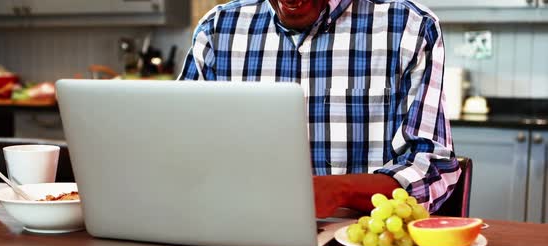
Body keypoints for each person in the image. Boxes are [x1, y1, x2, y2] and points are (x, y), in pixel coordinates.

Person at [179, 0, 461, 218]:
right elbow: (180, 150)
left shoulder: (409, 27)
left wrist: (339, 190)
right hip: (239, 235)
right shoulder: (216, 30)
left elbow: (432, 165)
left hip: (362, 245)